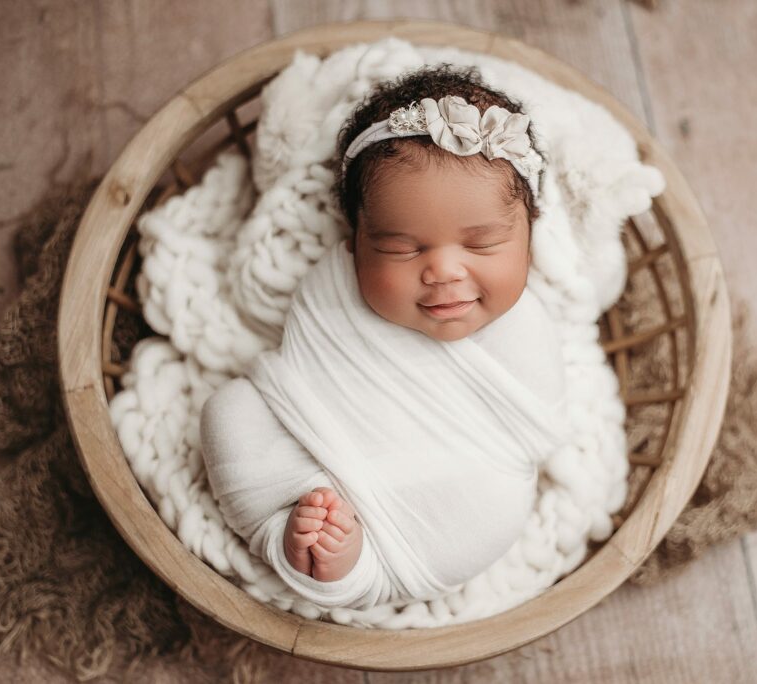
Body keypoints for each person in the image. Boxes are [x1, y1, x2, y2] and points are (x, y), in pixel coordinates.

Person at [200, 64, 568, 610]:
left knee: (497, 500)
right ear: (355, 241)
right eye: (402, 248)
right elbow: (295, 378)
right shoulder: (333, 285)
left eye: (482, 244)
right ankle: (310, 548)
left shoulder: (526, 324)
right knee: (230, 413)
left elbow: (538, 426)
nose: (444, 271)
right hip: (316, 459)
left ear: (530, 238)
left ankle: (345, 566)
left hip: (461, 499)